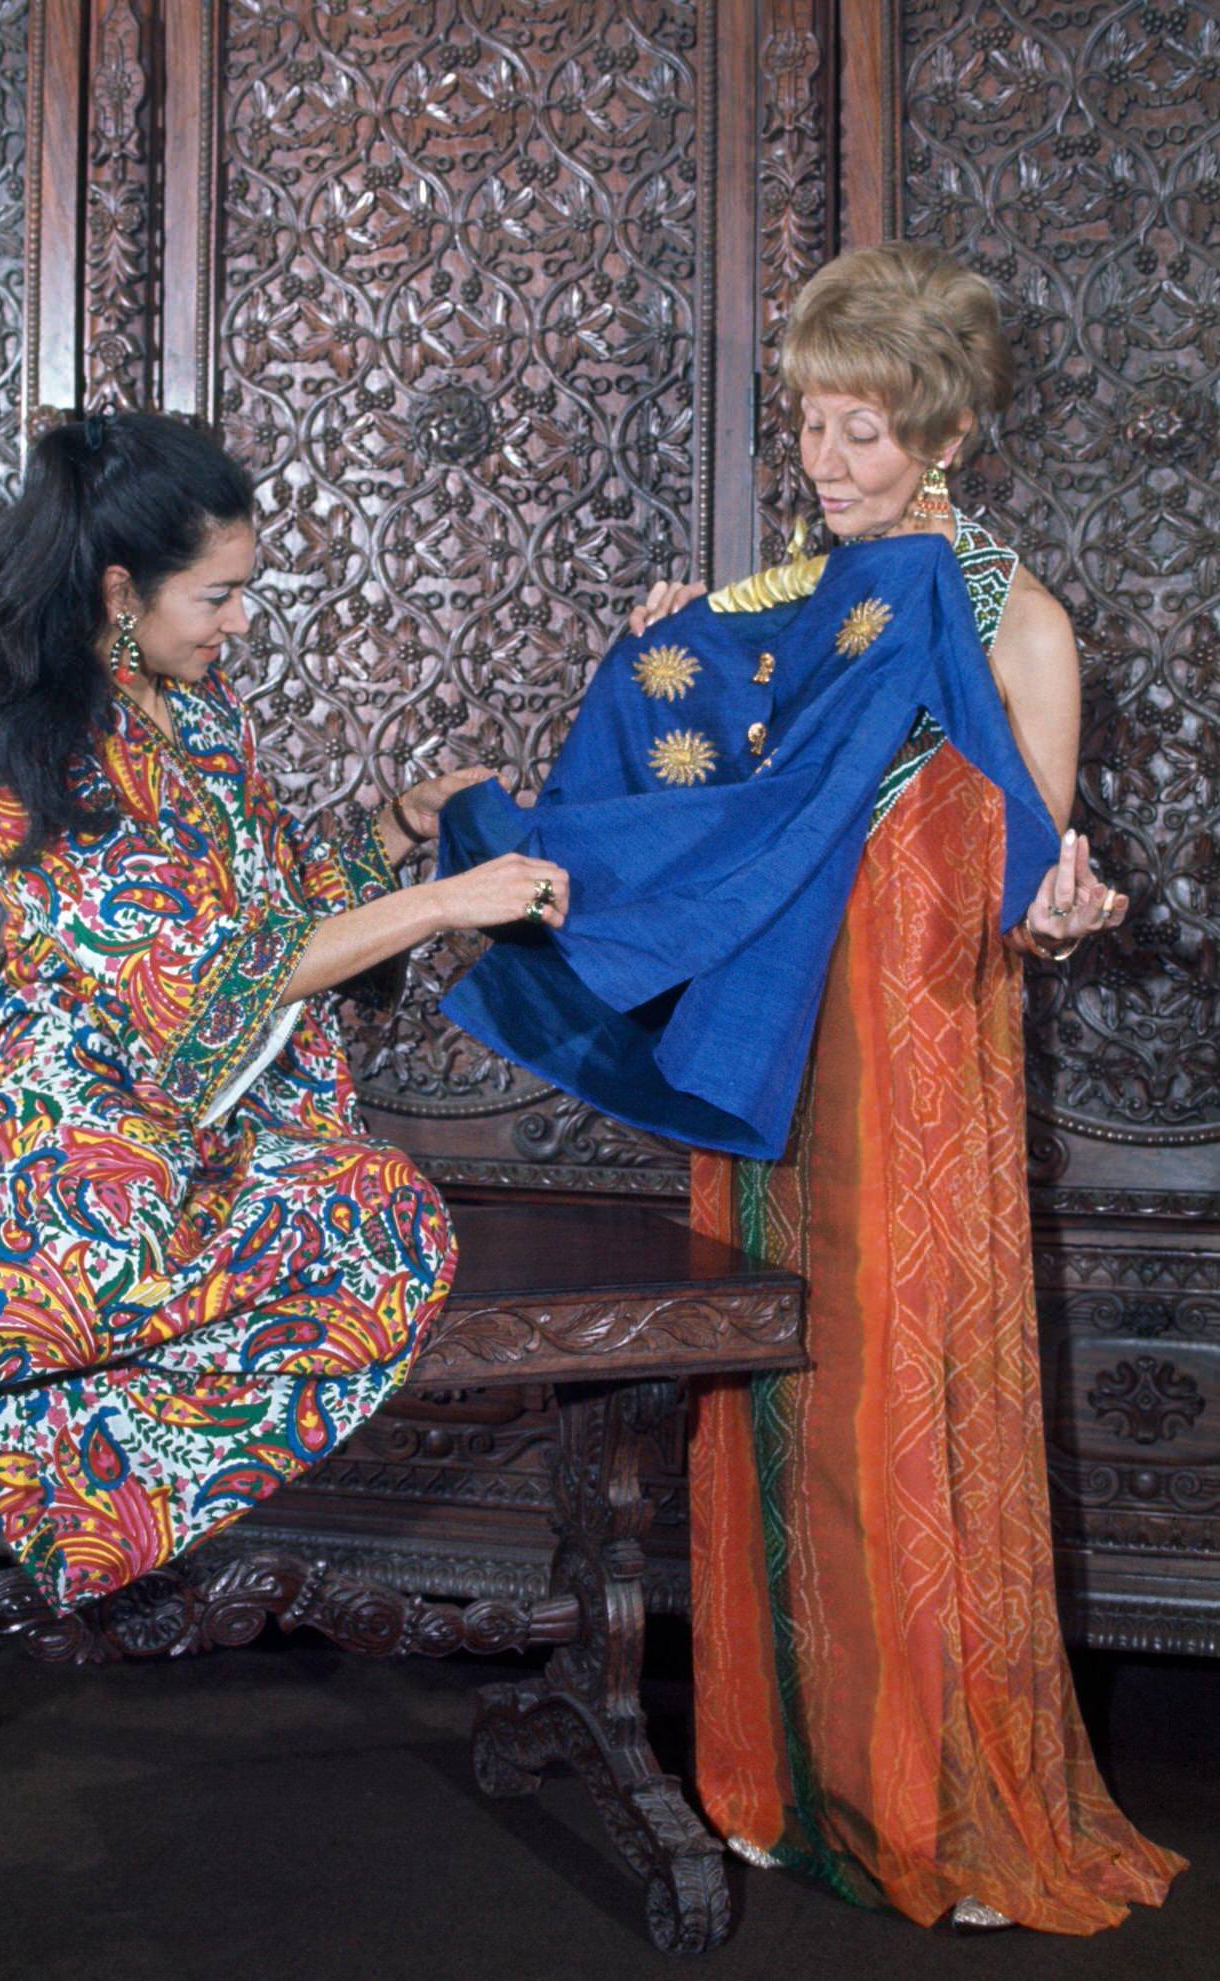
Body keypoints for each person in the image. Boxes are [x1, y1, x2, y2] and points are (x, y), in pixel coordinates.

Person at [434, 242, 1183, 1933]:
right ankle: (776, 1779)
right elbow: (699, 812)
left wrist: (1064, 906)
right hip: (774, 1063)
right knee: (779, 1391)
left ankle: (941, 1800)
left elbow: (1028, 875)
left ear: (954, 437)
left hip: (919, 1069)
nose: (832, 468)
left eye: (867, 435)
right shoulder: (789, 615)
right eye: (817, 429)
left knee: (904, 1408)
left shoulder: (1022, 624)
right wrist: (667, 659)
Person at [0, 411, 568, 1614]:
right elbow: (207, 977)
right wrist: (441, 902)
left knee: (380, 1222)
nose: (239, 623)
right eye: (217, 597)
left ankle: (90, 1493)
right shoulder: (53, 758)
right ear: (122, 590)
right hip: (97, 1119)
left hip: (227, 1124)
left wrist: (395, 831)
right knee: (107, 1251)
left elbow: (273, 910)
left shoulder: (207, 721)